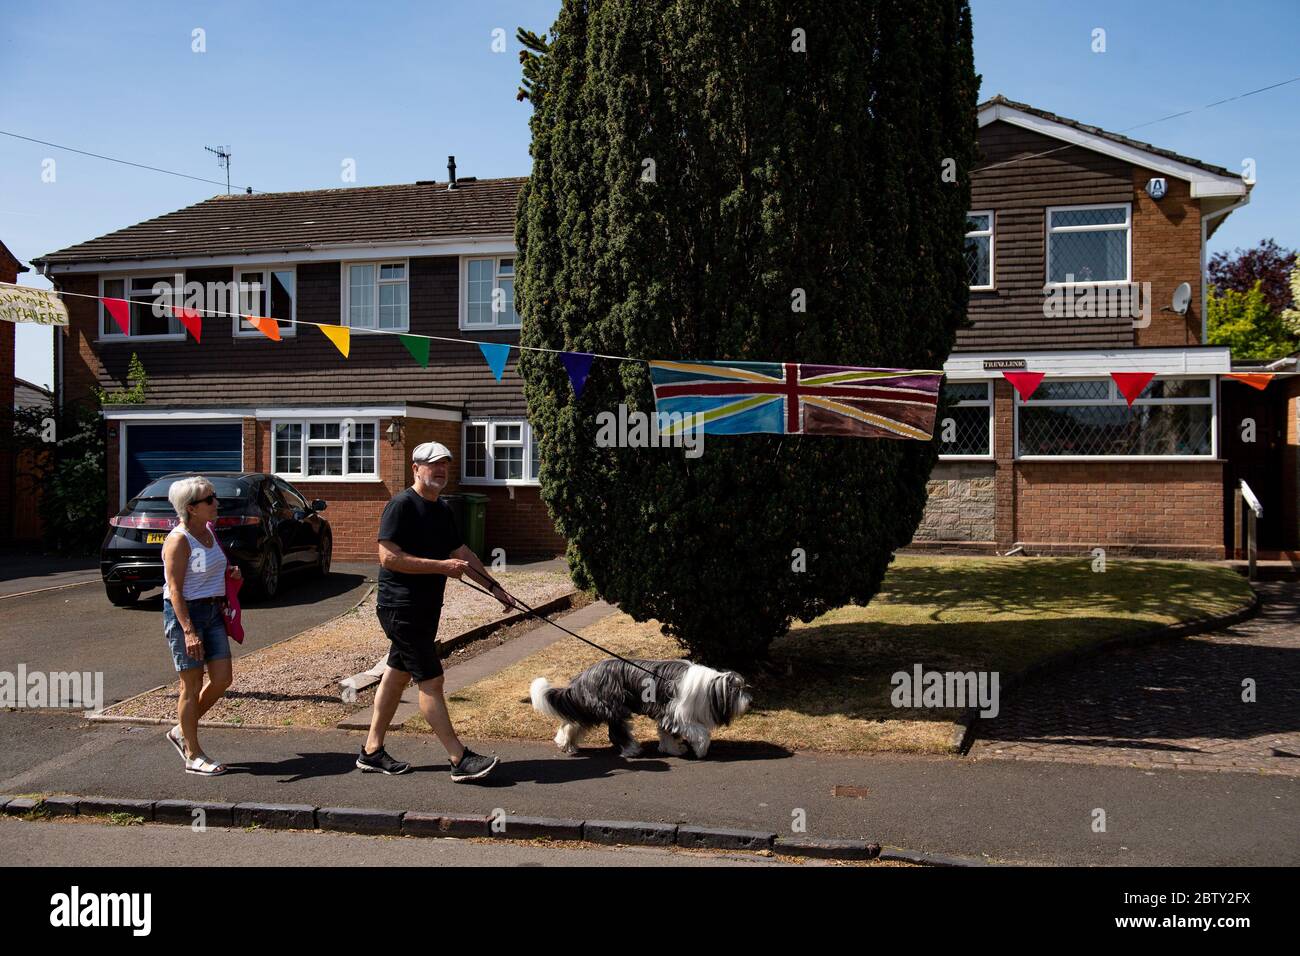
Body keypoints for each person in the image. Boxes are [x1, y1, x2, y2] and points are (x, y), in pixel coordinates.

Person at [359, 441, 519, 782]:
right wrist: (440, 566)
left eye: (445, 464)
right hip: (400, 608)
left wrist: (494, 587)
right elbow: (387, 557)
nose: (441, 470)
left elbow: (460, 550)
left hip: (425, 607)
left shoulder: (443, 509)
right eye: (433, 464)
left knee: (396, 673)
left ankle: (371, 751)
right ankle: (458, 758)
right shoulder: (400, 505)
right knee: (431, 680)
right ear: (416, 468)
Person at [160, 476, 241, 775]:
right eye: (209, 499)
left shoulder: (208, 531)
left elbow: (209, 569)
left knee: (222, 679)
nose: (215, 503)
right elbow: (175, 589)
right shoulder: (179, 540)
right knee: (190, 686)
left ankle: (182, 730)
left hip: (213, 611)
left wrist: (230, 573)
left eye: (214, 497)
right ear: (191, 508)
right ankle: (193, 754)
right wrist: (189, 631)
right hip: (187, 616)